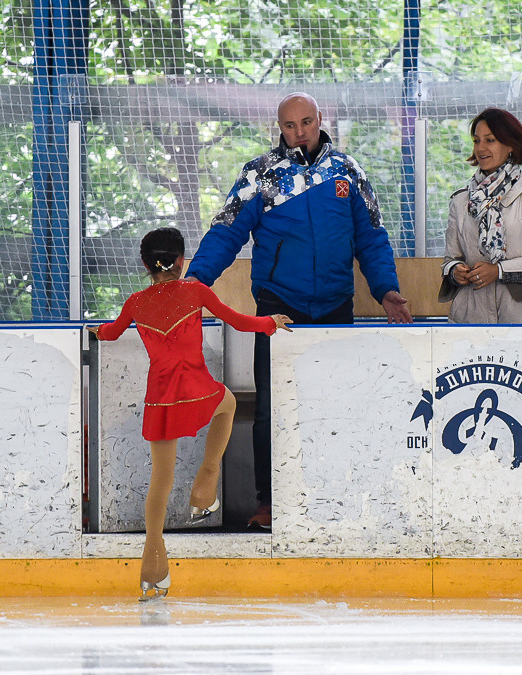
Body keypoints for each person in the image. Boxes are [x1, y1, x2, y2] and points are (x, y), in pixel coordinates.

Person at [186, 92, 413, 531]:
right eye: (290, 126)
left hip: (335, 307)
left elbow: (372, 237)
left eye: (306, 122)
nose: (299, 132)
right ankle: (269, 502)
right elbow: (227, 230)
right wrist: (197, 280)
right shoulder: (261, 174)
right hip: (279, 311)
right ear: (280, 129)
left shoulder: (348, 171)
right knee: (272, 409)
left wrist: (386, 289)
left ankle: (335, 497)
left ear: (320, 119)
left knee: (335, 406)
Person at [87, 227, 292, 601]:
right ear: (182, 261)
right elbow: (239, 321)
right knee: (227, 404)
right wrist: (270, 322)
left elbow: (112, 333)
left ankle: (152, 561)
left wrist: (97, 331)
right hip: (196, 387)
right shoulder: (195, 292)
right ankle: (205, 482)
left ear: (146, 265)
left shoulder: (135, 302)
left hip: (161, 398)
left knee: (160, 480)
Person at [440, 107, 522, 323]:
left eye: (490, 140)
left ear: (511, 145)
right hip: (468, 319)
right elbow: (451, 259)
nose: (481, 148)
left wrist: (499, 271)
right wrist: (455, 271)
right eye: (476, 141)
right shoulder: (460, 201)